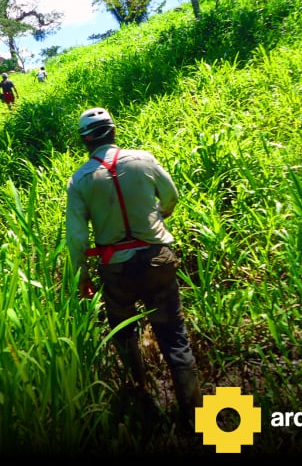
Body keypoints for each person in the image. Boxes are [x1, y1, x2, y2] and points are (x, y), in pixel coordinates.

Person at [64, 107, 202, 431]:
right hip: (158, 260)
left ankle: (143, 398)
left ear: (85, 140)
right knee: (175, 338)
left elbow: (76, 237)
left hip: (118, 270)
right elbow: (171, 197)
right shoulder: (143, 159)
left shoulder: (80, 180)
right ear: (114, 130)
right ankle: (193, 418)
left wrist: (82, 274)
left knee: (124, 333)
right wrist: (157, 218)